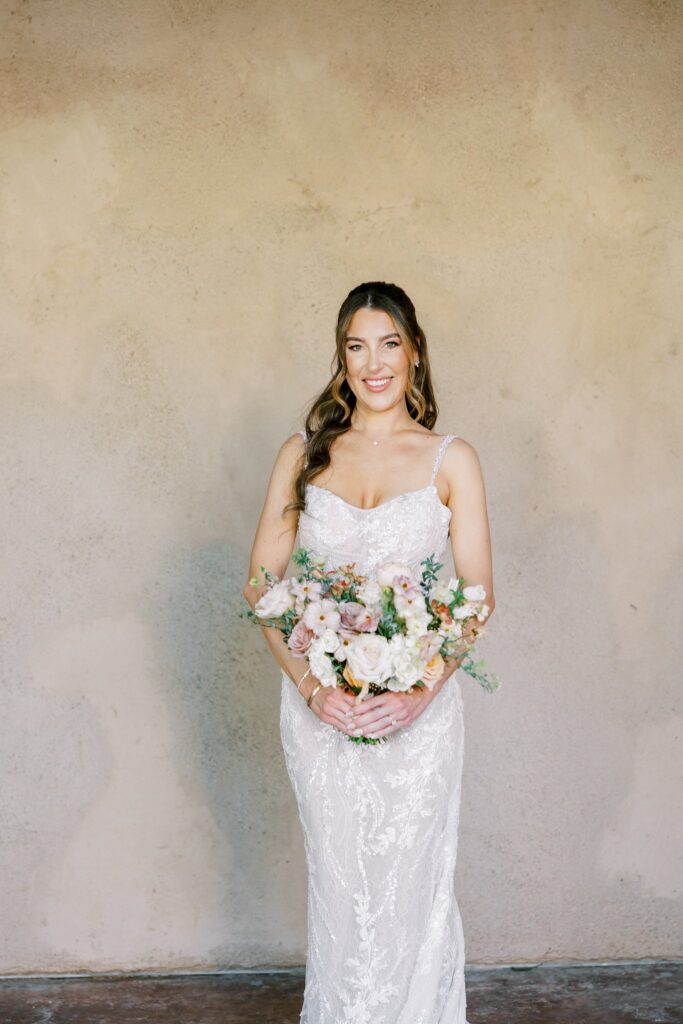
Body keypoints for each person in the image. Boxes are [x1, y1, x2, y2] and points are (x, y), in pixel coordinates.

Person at [243, 280, 495, 1024]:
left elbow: (475, 595)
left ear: (413, 353)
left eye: (388, 343)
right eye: (356, 346)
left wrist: (419, 692)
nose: (372, 362)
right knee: (343, 885)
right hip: (320, 713)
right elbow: (262, 585)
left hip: (414, 719)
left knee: (410, 885)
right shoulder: (303, 452)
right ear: (341, 358)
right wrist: (309, 686)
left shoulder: (451, 459)